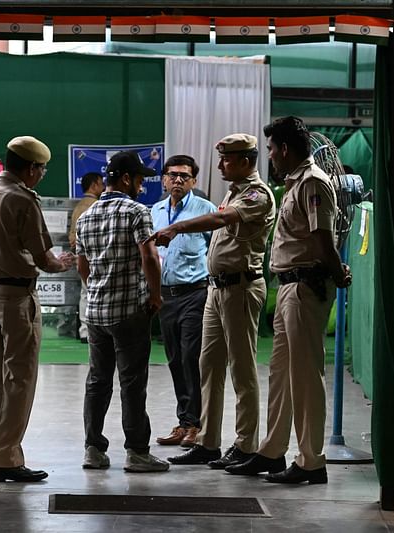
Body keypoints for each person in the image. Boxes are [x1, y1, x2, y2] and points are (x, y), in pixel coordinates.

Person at [227, 116, 352, 484]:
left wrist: (337, 273)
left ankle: (312, 461)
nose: (269, 157)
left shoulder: (312, 182)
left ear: (284, 149)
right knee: (281, 374)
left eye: (270, 149)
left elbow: (322, 238)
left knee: (306, 377)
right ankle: (272, 451)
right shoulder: (296, 182)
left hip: (305, 286)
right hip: (288, 286)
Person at [146, 134, 276, 470]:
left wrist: (177, 228)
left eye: (226, 160)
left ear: (246, 161)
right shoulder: (233, 191)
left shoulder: (256, 194)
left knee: (242, 370)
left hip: (240, 288)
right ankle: (208, 442)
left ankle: (246, 445)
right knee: (208, 367)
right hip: (216, 290)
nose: (220, 166)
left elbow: (220, 221)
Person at [0, 136, 75, 483]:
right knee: (19, 378)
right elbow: (44, 257)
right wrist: (62, 264)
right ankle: (6, 458)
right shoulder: (23, 199)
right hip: (15, 296)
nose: (41, 175)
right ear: (31, 168)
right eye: (41, 169)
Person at [76, 151, 169, 473]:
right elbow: (149, 257)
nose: (142, 187)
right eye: (140, 180)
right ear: (126, 179)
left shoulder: (86, 216)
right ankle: (137, 453)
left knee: (97, 381)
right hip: (129, 310)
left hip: (96, 312)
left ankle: (93, 449)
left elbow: (82, 265)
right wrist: (155, 295)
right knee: (132, 382)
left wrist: (96, 290)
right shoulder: (136, 211)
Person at [151, 155, 216, 448]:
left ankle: (196, 425)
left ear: (193, 181)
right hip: (166, 295)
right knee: (175, 359)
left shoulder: (206, 210)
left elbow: (217, 249)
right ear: (164, 179)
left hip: (195, 294)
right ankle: (184, 422)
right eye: (172, 175)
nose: (177, 180)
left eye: (184, 176)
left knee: (192, 357)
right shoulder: (155, 211)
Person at [68, 172, 105, 343]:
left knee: (85, 292)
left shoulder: (79, 206)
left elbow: (72, 236)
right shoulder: (96, 206)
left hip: (81, 253)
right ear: (94, 184)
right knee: (95, 292)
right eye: (101, 183)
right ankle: (93, 329)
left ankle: (84, 330)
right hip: (94, 254)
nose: (103, 186)